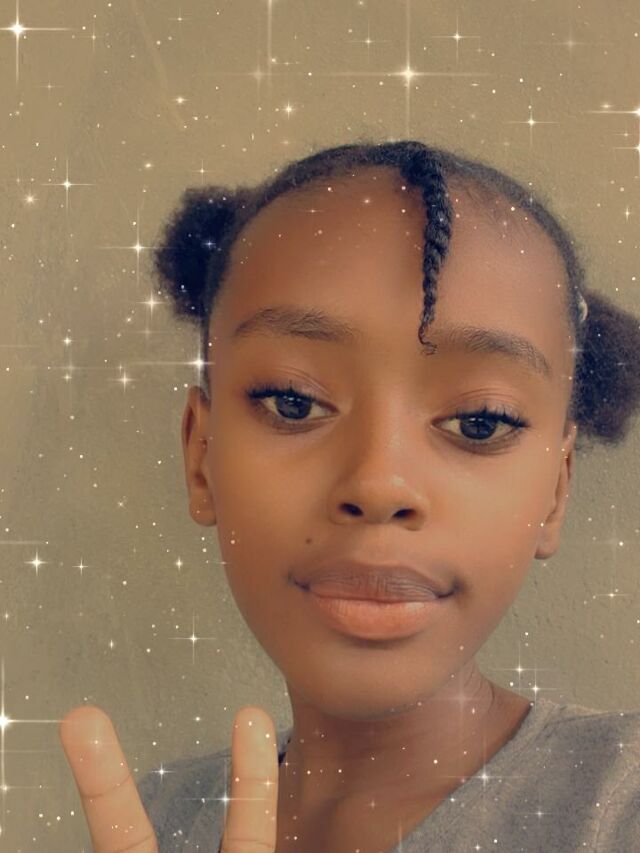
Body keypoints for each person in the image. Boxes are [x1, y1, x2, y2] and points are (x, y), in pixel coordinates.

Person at [59, 140, 640, 852]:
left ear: (556, 488)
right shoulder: (152, 819)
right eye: (294, 402)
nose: (378, 482)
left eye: (479, 421)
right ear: (200, 455)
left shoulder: (620, 804)